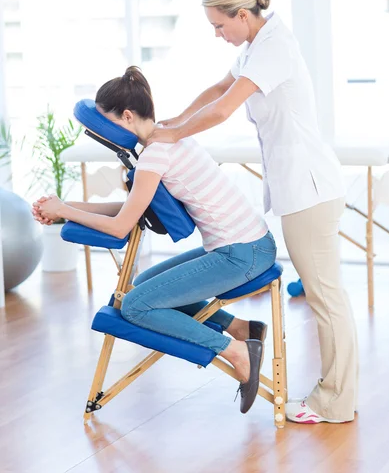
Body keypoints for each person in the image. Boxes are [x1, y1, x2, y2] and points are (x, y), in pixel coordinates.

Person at [146, 0, 358, 424]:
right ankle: (335, 395)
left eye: (220, 26)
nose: (217, 35)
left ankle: (334, 402)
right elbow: (218, 91)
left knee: (325, 298)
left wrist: (174, 134)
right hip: (299, 189)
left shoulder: (274, 47)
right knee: (326, 296)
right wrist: (175, 119)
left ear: (242, 15)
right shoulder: (253, 48)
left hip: (310, 189)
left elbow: (223, 111)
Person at [32, 66, 278, 414]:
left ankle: (233, 350)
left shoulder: (154, 154)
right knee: (142, 285)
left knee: (136, 305)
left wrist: (64, 210)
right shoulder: (166, 136)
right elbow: (134, 208)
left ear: (127, 116)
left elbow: (120, 227)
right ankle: (240, 327)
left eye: (107, 122)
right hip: (249, 245)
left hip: (241, 255)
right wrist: (64, 208)